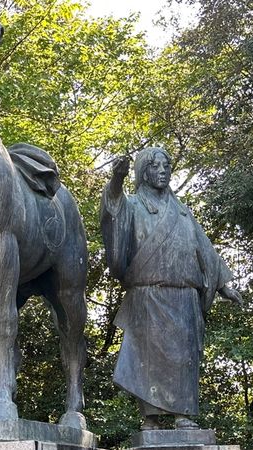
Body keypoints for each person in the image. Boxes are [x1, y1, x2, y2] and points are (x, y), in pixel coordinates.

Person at [101, 147, 241, 430]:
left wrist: (223, 285)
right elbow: (112, 208)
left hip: (184, 297)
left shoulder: (182, 212)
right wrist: (117, 179)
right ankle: (150, 418)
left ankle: (182, 414)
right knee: (146, 359)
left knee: (184, 358)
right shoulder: (133, 206)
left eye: (166, 166)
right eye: (155, 166)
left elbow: (204, 248)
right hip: (149, 296)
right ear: (143, 173)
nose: (163, 171)